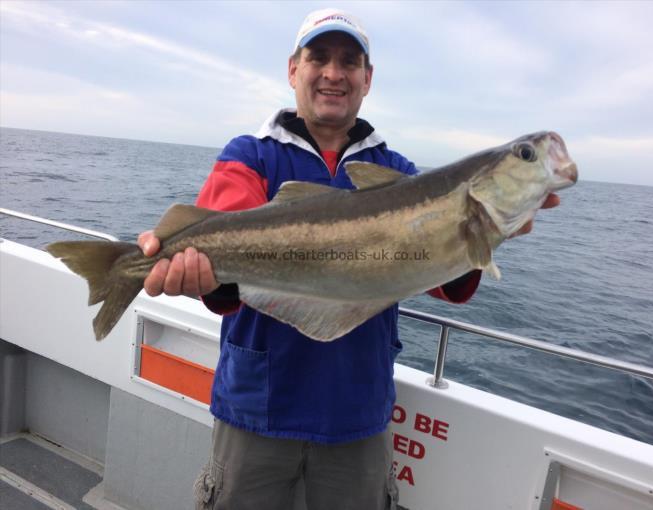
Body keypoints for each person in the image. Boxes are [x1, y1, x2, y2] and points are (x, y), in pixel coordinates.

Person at [137, 8, 560, 510]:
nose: (334, 73)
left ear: (367, 78)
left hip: (357, 414)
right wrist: (202, 276)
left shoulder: (398, 172)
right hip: (257, 407)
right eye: (319, 57)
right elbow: (227, 260)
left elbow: (448, 285)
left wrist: (485, 234)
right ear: (293, 69)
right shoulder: (250, 156)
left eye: (349, 61)